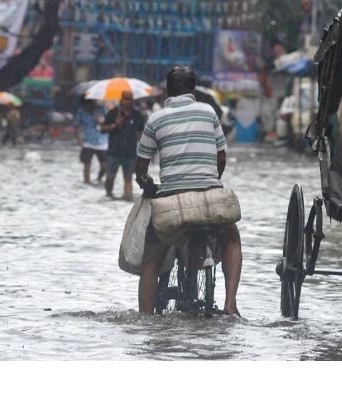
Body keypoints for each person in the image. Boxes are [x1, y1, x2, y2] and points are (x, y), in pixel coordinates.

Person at [135, 66, 243, 316]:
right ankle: (231, 305)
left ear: (167, 90)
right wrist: (210, 181)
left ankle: (145, 318)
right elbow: (221, 156)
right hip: (209, 195)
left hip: (171, 200)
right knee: (232, 238)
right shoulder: (208, 113)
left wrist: (146, 183)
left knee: (151, 259)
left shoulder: (155, 119)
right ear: (193, 90)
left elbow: (141, 168)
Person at [100, 90, 145, 201]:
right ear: (121, 100)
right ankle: (109, 196)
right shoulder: (113, 113)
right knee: (110, 177)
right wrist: (115, 124)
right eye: (125, 99)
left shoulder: (137, 114)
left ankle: (127, 200)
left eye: (129, 99)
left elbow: (142, 131)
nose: (127, 101)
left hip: (129, 152)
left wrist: (139, 136)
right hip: (114, 152)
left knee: (128, 178)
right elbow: (102, 129)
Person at [74, 98, 108, 184]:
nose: (88, 107)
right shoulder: (81, 111)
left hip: (102, 142)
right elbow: (77, 127)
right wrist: (80, 141)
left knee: (105, 166)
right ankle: (87, 184)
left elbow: (108, 123)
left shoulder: (102, 109)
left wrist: (100, 121)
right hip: (87, 142)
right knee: (87, 166)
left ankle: (99, 179)